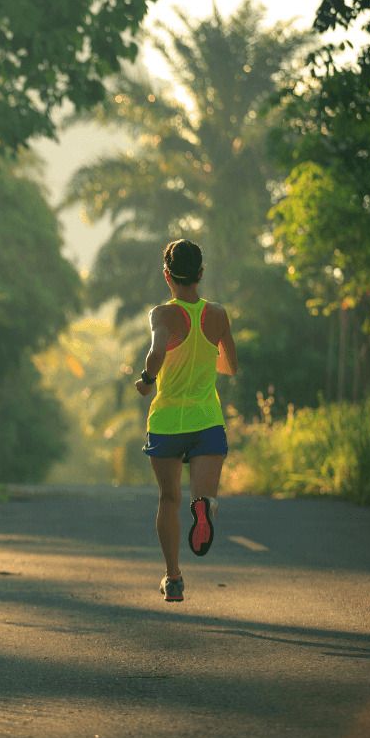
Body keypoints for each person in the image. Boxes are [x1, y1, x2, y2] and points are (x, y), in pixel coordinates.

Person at [135, 239, 238, 603]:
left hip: (167, 423)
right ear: (201, 274)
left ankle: (174, 577)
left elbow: (156, 352)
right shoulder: (219, 315)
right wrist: (204, 355)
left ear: (168, 276)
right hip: (207, 422)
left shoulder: (162, 314)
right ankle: (205, 508)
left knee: (168, 499)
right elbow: (230, 365)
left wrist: (147, 382)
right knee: (202, 495)